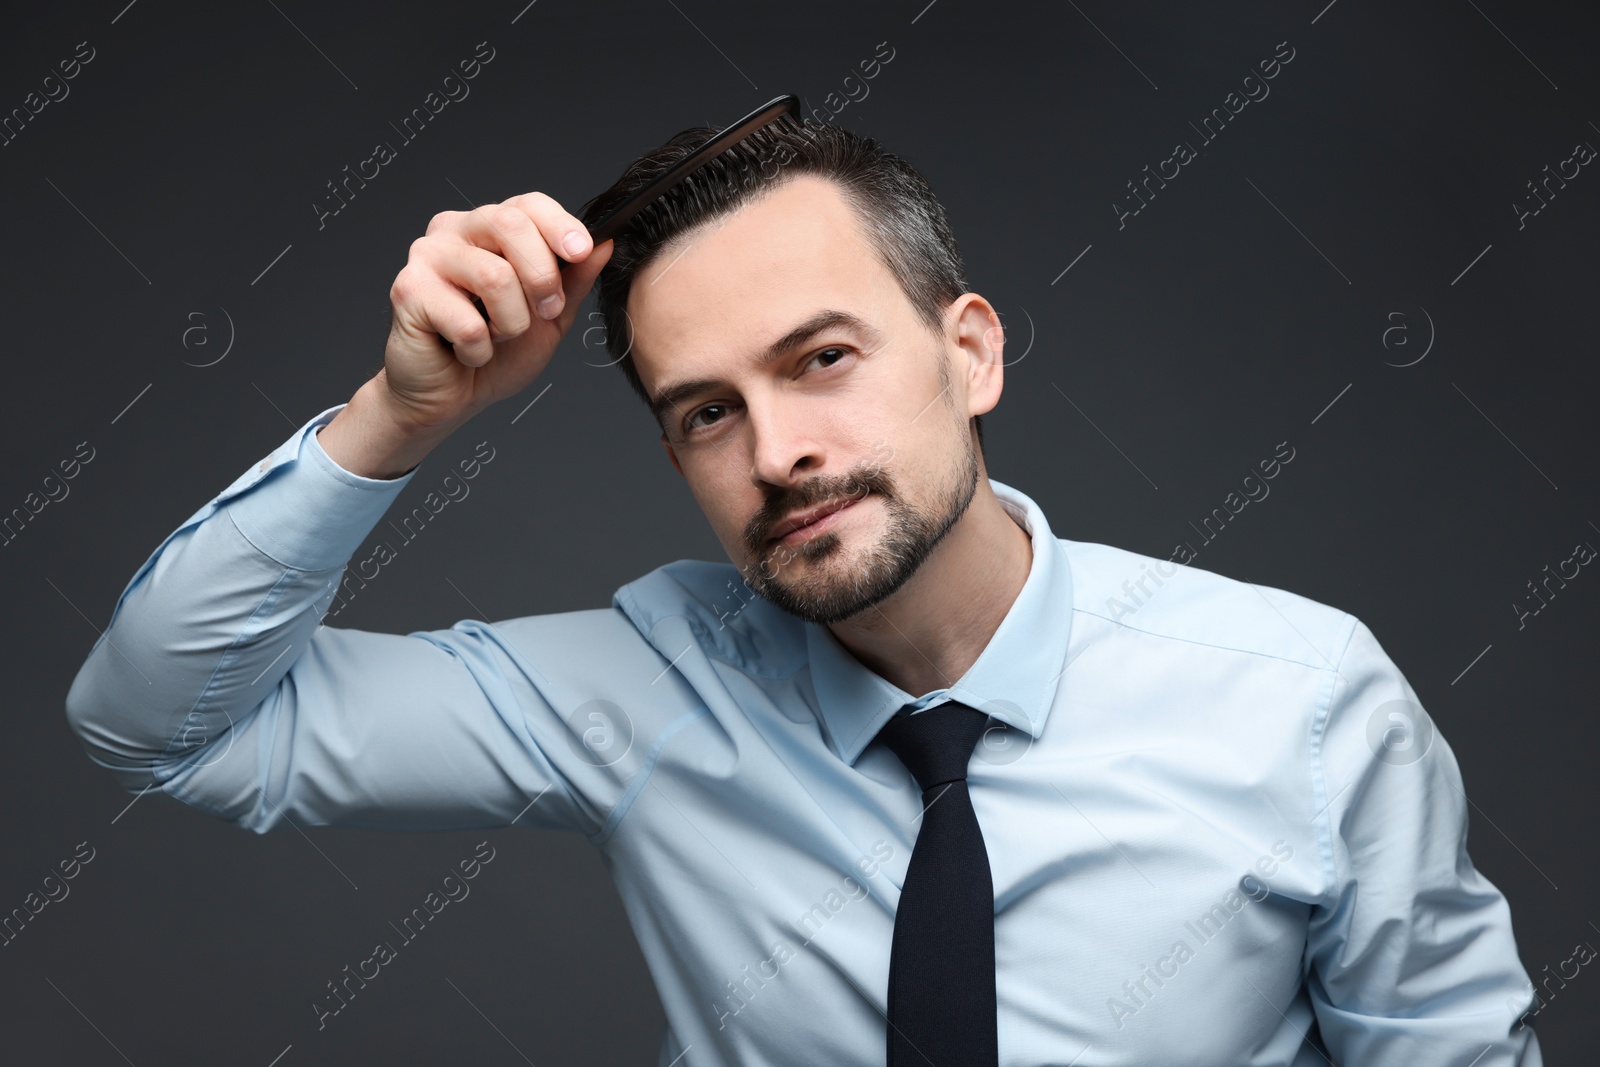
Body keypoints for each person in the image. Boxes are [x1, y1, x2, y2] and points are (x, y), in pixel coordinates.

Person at [66, 116, 1543, 1066]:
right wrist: (399, 417)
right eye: (706, 411)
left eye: (820, 359)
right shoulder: (649, 689)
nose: (779, 453)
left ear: (970, 353)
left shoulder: (1305, 702)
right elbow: (163, 725)